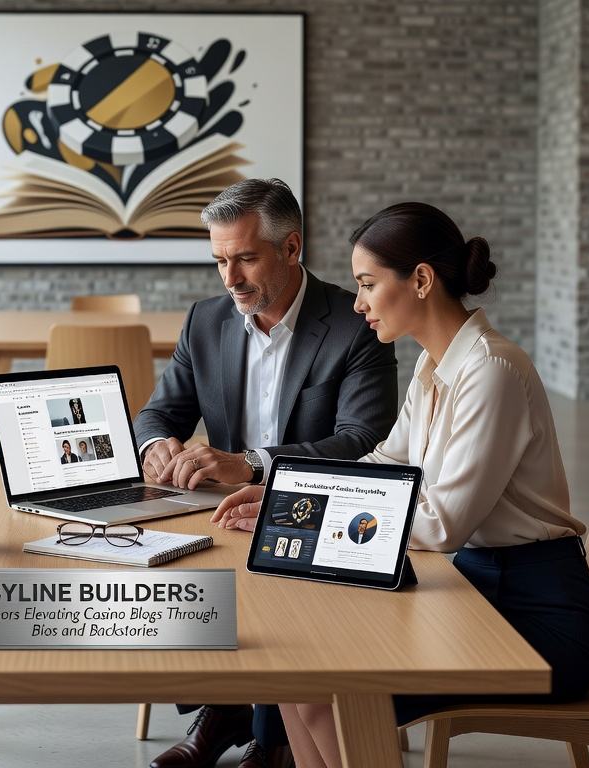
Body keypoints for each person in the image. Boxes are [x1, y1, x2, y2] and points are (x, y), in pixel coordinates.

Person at [211, 202, 589, 768]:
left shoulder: (491, 371)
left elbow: (443, 525)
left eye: (368, 284)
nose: (358, 303)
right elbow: (385, 460)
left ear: (421, 280)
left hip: (538, 620)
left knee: (329, 693)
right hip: (476, 589)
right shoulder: (434, 366)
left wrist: (311, 514)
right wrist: (288, 498)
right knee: (294, 675)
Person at [134, 178, 399, 768]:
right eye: (219, 260)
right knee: (172, 576)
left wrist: (252, 463)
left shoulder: (357, 324)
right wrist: (156, 445)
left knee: (271, 591)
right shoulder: (205, 321)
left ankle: (267, 733)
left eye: (246, 258)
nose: (229, 278)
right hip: (223, 516)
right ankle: (230, 710)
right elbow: (157, 413)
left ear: (292, 247)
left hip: (316, 517)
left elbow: (365, 442)